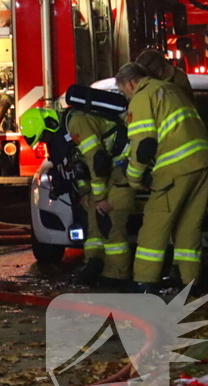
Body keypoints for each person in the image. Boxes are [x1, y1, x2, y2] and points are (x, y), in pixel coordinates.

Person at [115, 62, 208, 293]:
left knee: (154, 226)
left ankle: (144, 282)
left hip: (175, 168)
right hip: (203, 163)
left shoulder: (143, 97)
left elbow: (144, 143)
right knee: (189, 227)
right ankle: (188, 281)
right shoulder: (171, 90)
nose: (126, 97)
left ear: (130, 83)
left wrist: (133, 178)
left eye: (123, 91)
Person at [20, 104, 134, 287]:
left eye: (44, 136)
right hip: (105, 168)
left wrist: (99, 197)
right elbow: (76, 167)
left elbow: (97, 159)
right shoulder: (60, 136)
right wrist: (85, 193)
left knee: (110, 215)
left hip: (121, 162)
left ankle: (116, 276)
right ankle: (94, 263)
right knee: (91, 215)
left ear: (49, 123)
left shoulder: (77, 123)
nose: (45, 140)